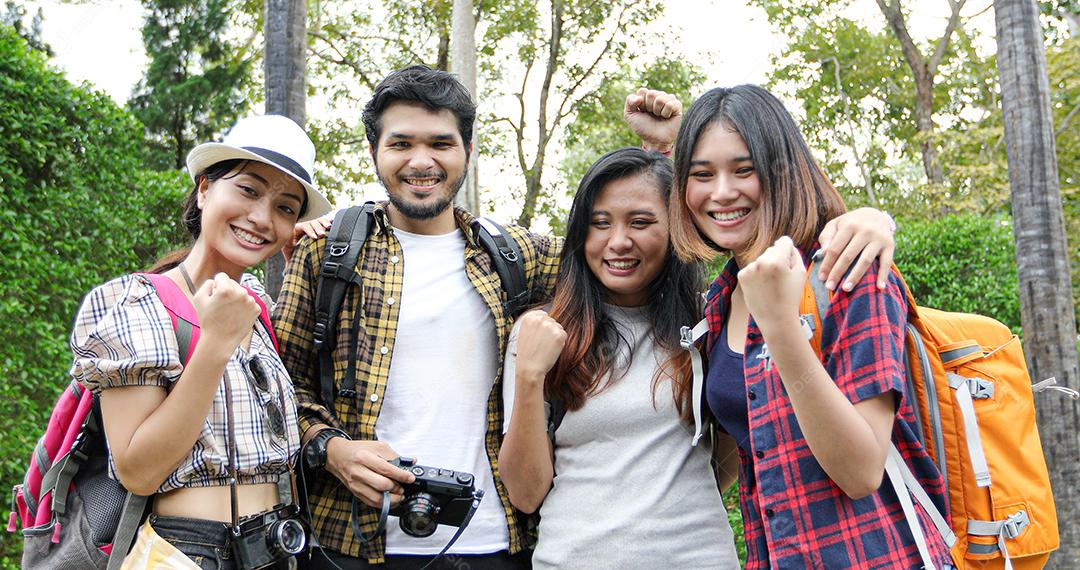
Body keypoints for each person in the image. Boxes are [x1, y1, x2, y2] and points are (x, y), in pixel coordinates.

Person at [275, 66, 897, 569]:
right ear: (374, 152)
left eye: (440, 143)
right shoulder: (329, 255)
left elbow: (676, 218)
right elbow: (285, 389)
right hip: (359, 540)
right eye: (401, 143)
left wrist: (867, 217)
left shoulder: (515, 258)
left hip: (499, 542)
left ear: (466, 150)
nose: (421, 160)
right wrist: (330, 449)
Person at [668, 84, 953, 569]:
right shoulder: (719, 300)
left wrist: (780, 329)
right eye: (702, 174)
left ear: (780, 170)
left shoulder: (847, 272)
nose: (721, 192)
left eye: (744, 169)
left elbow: (861, 471)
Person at [69, 114, 332, 570]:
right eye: (248, 190)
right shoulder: (138, 303)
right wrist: (215, 343)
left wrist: (306, 263)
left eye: (286, 208)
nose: (262, 218)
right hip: (187, 553)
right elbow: (139, 470)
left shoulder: (259, 309)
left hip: (277, 549)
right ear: (205, 188)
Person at [498, 147, 740, 569]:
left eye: (641, 222)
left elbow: (729, 456)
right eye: (600, 224)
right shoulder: (542, 331)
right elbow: (525, 493)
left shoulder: (710, 322)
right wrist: (530, 376)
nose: (618, 241)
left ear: (675, 229)